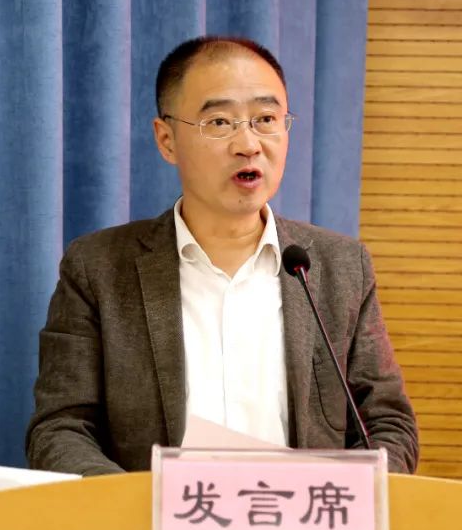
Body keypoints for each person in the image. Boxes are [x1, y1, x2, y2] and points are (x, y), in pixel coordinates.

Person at [26, 36, 418, 475]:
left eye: (265, 119)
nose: (248, 144)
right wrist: (139, 504)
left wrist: (351, 497)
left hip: (299, 516)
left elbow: (387, 424)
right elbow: (60, 428)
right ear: (167, 140)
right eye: (219, 122)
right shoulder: (98, 268)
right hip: (153, 518)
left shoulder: (338, 267)